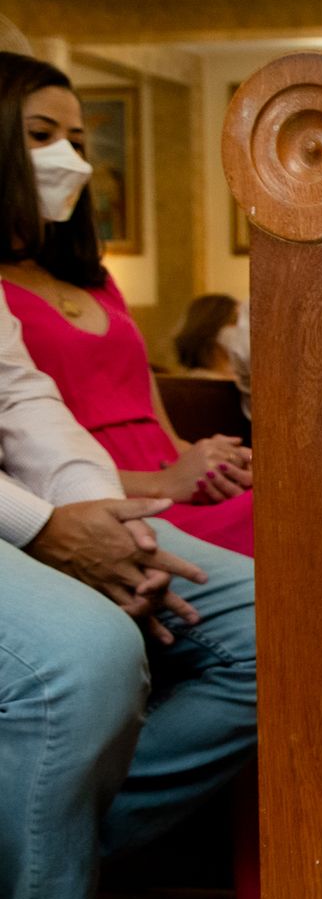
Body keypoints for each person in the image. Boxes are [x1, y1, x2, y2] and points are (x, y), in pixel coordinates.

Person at [0, 293, 258, 899]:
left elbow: (19, 395)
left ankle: (41, 855)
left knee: (265, 628)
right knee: (81, 652)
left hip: (37, 499)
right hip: (16, 516)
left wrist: (97, 516)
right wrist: (43, 529)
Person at [0, 54, 254, 558]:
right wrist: (165, 484)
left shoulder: (96, 282)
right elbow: (21, 461)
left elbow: (162, 431)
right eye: (40, 135)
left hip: (173, 486)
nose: (67, 157)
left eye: (76, 142)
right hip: (102, 499)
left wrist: (214, 463)